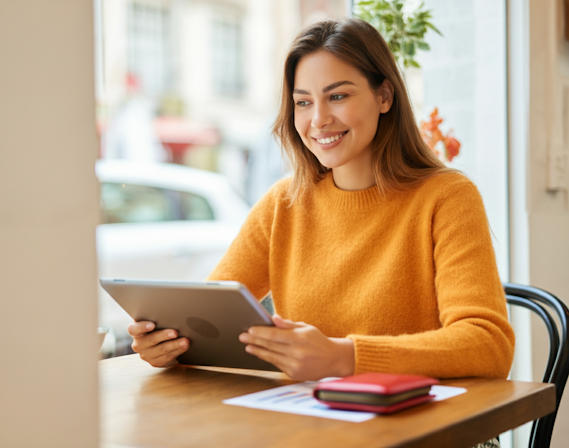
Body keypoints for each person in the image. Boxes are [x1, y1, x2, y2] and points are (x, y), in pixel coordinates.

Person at [127, 18, 515, 385]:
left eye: (338, 96)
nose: (319, 119)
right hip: (313, 421)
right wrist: (171, 344)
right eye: (303, 102)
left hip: (424, 424)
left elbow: (488, 345)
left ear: (384, 95)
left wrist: (343, 356)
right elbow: (207, 318)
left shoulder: (446, 198)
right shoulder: (284, 202)